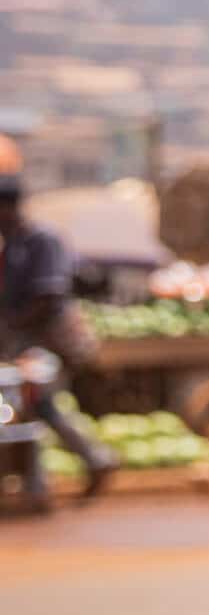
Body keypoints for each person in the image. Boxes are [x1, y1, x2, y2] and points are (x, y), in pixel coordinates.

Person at [0, 173, 115, 502]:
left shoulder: (41, 241)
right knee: (33, 406)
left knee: (39, 402)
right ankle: (44, 480)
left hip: (48, 342)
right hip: (23, 341)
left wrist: (12, 324)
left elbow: (48, 298)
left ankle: (82, 465)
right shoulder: (12, 244)